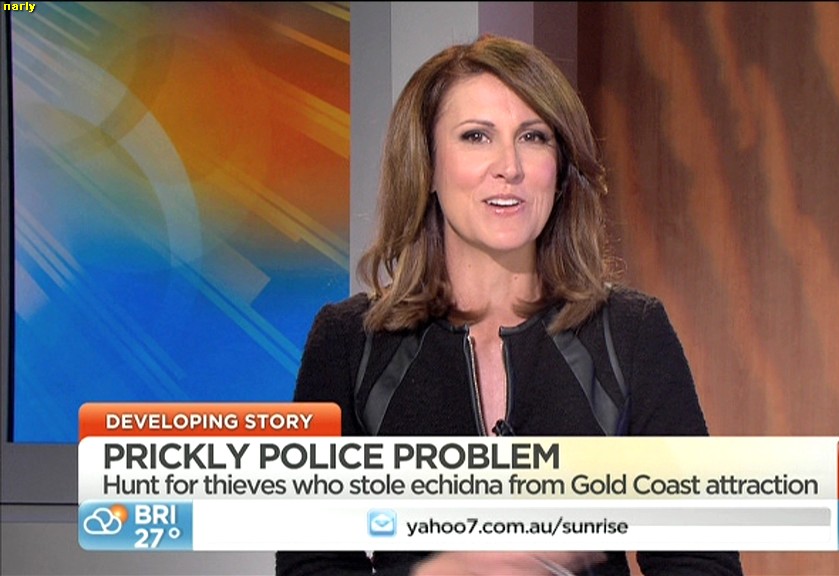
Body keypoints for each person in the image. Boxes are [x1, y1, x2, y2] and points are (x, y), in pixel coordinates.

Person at [275, 34, 743, 576]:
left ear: (559, 169)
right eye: (476, 136)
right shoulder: (349, 344)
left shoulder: (631, 332)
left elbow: (703, 563)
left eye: (533, 137)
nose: (510, 166)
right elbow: (310, 565)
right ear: (427, 166)